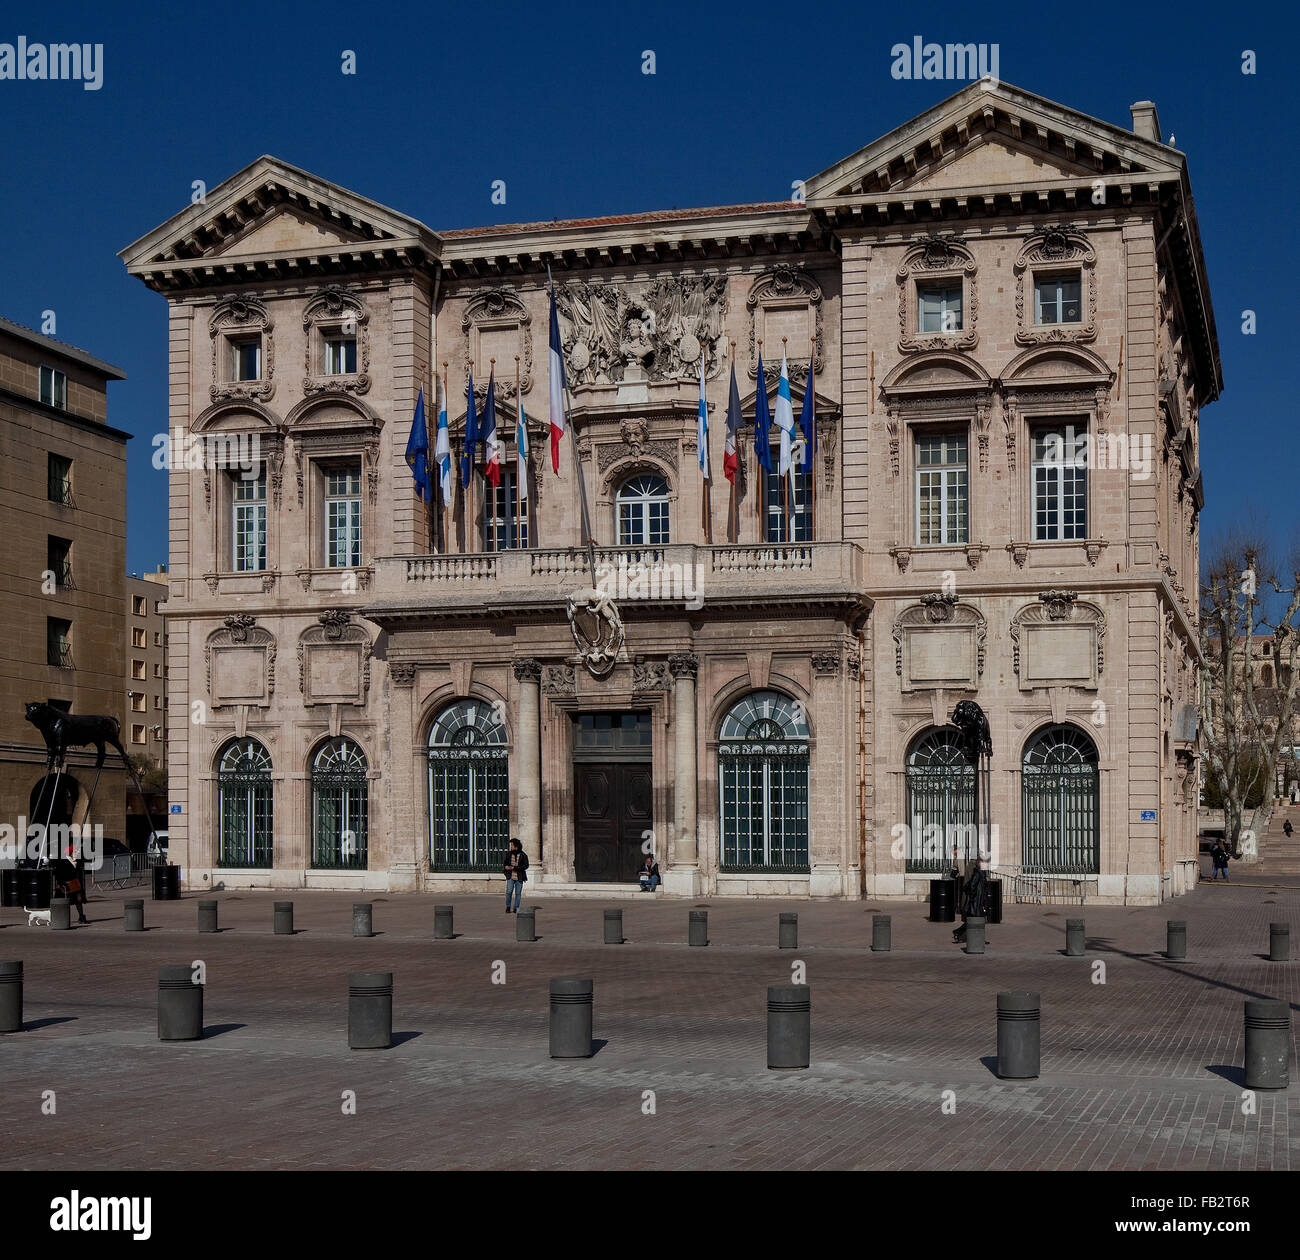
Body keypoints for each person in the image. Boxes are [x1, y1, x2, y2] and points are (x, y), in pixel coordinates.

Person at [953, 855, 988, 944]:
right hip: (975, 900)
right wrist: (974, 898)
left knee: (977, 920)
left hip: (979, 900)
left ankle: (978, 938)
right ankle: (960, 933)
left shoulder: (981, 872)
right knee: (975, 920)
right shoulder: (977, 872)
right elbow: (972, 886)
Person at [55, 844, 89, 925]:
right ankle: (59, 917)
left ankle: (81, 916)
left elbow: (79, 872)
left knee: (78, 900)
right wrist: (60, 883)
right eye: (75, 852)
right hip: (65, 883)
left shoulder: (77, 861)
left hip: (75, 883)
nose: (76, 853)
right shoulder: (62, 861)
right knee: (61, 902)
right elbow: (58, 873)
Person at [502, 837, 528, 913]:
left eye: (512, 845)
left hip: (519, 877)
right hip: (510, 876)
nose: (511, 847)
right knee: (509, 892)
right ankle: (508, 906)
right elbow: (505, 863)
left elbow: (526, 866)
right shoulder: (508, 854)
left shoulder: (523, 855)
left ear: (516, 846)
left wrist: (515, 868)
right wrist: (506, 867)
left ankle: (516, 907)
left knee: (518, 893)